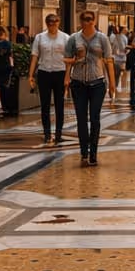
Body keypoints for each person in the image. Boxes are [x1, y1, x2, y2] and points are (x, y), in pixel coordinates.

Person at [65, 11, 114, 166]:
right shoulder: (74, 38)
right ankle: (83, 153)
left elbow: (109, 60)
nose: (88, 22)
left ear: (94, 21)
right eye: (85, 20)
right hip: (78, 82)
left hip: (97, 82)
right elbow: (66, 59)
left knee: (95, 118)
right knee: (81, 119)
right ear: (80, 21)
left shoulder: (102, 38)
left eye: (90, 20)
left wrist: (112, 83)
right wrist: (70, 69)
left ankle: (93, 152)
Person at [28, 14, 70, 145]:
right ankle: (47, 133)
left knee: (59, 105)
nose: (53, 25)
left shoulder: (65, 38)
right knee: (45, 105)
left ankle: (58, 133)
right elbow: (35, 56)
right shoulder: (40, 38)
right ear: (47, 24)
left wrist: (68, 76)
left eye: (55, 23)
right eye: (50, 23)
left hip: (60, 73)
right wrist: (30, 75)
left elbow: (69, 58)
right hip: (44, 72)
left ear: (59, 23)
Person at [108, 25, 129, 105]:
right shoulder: (124, 38)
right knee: (120, 73)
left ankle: (115, 87)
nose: (126, 29)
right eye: (125, 28)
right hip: (122, 58)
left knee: (116, 74)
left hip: (115, 58)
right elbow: (124, 47)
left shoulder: (113, 37)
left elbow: (112, 46)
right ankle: (115, 87)